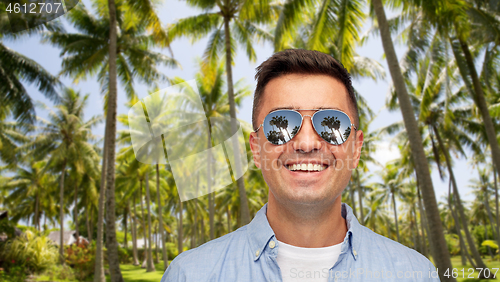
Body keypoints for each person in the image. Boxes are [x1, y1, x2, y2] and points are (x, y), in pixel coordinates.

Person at [161, 49, 440, 282]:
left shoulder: (416, 274)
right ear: (256, 149)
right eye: (280, 124)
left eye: (332, 124)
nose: (306, 143)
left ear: (356, 148)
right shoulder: (188, 275)